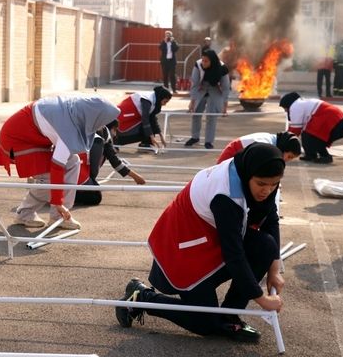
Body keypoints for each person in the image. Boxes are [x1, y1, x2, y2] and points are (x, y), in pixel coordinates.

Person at [115, 143, 285, 343]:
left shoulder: (257, 172)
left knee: (265, 246)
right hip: (183, 246)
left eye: (274, 184)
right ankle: (141, 297)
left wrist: (274, 270)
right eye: (262, 184)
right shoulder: (226, 196)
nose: (267, 190)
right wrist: (262, 299)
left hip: (210, 237)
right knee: (204, 323)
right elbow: (234, 254)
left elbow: (270, 219)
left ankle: (229, 316)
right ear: (249, 174)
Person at [0, 94, 120, 230]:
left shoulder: (77, 111)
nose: (102, 126)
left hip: (33, 136)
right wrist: (57, 201)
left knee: (73, 161)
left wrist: (59, 201)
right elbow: (57, 167)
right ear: (93, 116)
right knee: (48, 178)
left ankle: (58, 216)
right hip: (19, 139)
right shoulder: (68, 127)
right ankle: (27, 213)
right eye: (101, 121)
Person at [75, 120, 146, 206]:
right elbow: (115, 162)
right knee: (95, 197)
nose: (115, 134)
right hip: (79, 173)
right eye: (115, 130)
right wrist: (136, 176)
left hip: (74, 170)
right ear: (110, 128)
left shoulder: (91, 128)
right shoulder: (103, 135)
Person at [279, 92, 343, 164]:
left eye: (284, 108)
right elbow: (298, 128)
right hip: (337, 119)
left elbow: (295, 129)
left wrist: (284, 143)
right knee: (307, 134)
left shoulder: (295, 107)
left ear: (288, 104)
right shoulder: (301, 103)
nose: (285, 111)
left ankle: (325, 156)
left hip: (332, 119)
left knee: (314, 136)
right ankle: (310, 155)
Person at [185, 49, 231, 149]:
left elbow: (226, 88)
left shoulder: (222, 68)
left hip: (215, 90)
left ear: (212, 61)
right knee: (196, 113)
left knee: (211, 116)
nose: (203, 63)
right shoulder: (198, 65)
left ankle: (209, 141)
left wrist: (225, 107)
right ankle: (195, 137)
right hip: (201, 88)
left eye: (206, 61)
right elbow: (195, 84)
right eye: (203, 60)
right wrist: (192, 103)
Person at [112, 85, 172, 150]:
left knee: (151, 128)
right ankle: (117, 141)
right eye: (165, 101)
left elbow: (153, 118)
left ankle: (146, 143)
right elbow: (145, 119)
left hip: (132, 117)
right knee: (148, 128)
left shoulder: (154, 99)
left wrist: (161, 136)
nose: (165, 104)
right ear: (160, 98)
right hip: (123, 118)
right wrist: (151, 137)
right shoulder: (147, 100)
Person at [217, 132, 301, 163]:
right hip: (231, 157)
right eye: (289, 156)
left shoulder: (273, 141)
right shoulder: (266, 146)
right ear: (284, 148)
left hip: (239, 156)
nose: (288, 160)